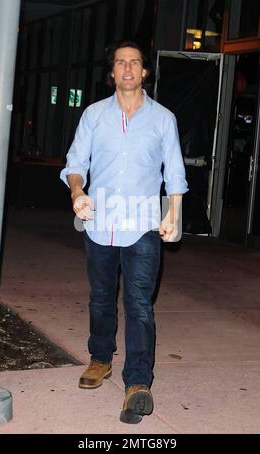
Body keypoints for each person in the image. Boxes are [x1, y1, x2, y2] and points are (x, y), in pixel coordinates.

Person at [60, 41, 188, 424]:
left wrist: (173, 217)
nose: (128, 68)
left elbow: (175, 174)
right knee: (101, 298)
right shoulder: (94, 115)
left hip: (144, 225)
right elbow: (75, 163)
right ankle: (100, 359)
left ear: (144, 72)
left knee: (138, 304)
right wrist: (78, 191)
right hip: (98, 222)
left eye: (135, 63)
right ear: (113, 72)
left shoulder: (163, 119)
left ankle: (138, 383)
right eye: (121, 63)